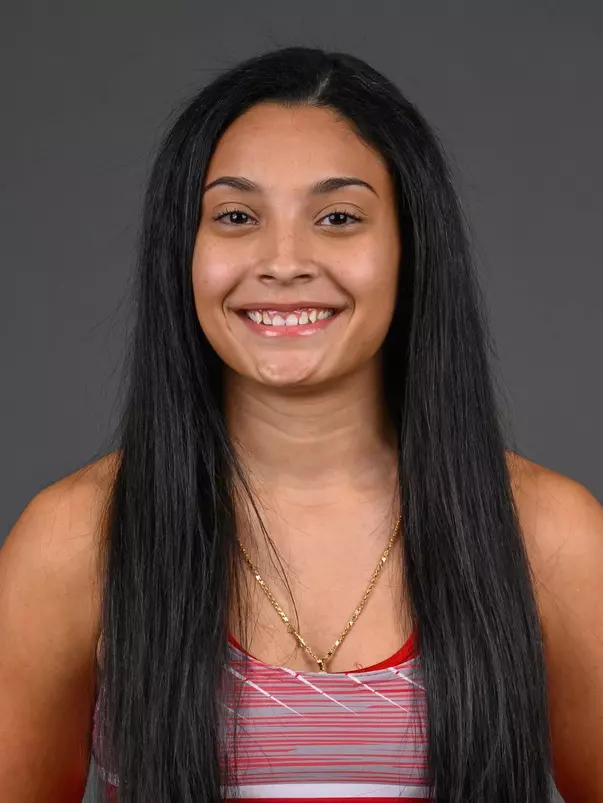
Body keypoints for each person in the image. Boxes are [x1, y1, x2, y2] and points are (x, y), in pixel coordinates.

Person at [1, 46, 601, 803]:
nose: (283, 260)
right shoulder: (76, 537)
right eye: (236, 216)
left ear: (409, 249)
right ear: (181, 253)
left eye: (339, 217)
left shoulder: (550, 535)